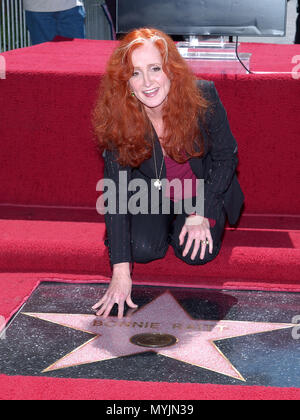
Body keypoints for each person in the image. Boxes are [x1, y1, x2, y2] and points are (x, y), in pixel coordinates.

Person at [91, 28, 244, 319]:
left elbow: (226, 157)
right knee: (144, 249)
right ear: (126, 82)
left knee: (197, 255)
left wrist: (201, 211)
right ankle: (160, 225)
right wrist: (120, 271)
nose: (147, 82)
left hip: (202, 190)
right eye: (135, 73)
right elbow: (117, 191)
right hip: (152, 194)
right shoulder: (118, 116)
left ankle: (184, 221)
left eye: (154, 68)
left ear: (170, 69)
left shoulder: (203, 95)